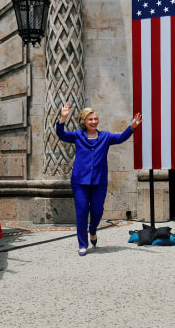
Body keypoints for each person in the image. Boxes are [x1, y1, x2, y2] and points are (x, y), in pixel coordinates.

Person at [56, 103, 142, 256]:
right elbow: (61, 134)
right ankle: (83, 244)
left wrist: (132, 127)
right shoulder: (77, 135)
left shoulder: (105, 137)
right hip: (80, 181)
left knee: (97, 210)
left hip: (99, 181)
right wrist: (63, 117)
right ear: (84, 122)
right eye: (91, 119)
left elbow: (121, 138)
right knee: (82, 211)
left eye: (96, 119)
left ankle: (93, 230)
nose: (94, 122)